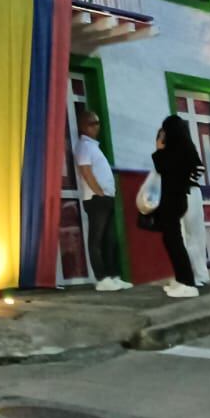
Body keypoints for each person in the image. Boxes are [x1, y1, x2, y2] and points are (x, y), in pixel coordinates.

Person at [74, 111, 131, 291]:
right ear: (83, 126)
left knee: (110, 238)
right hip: (96, 199)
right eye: (92, 123)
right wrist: (98, 191)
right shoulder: (84, 145)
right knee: (97, 240)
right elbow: (86, 171)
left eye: (97, 123)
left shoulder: (93, 146)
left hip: (106, 197)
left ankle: (113, 276)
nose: (96, 126)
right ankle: (102, 278)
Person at [152, 115, 205, 298]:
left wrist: (159, 150)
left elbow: (162, 167)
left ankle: (188, 282)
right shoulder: (187, 146)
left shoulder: (173, 150)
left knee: (174, 241)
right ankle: (182, 279)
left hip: (172, 199)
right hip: (179, 198)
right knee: (173, 240)